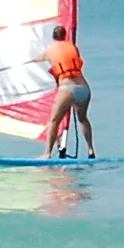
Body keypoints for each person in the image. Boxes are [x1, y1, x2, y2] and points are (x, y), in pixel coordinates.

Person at [42, 24, 96, 159]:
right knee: (83, 119)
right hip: (84, 89)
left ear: (53, 37)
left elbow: (38, 58)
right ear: (65, 35)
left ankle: (47, 154)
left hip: (67, 89)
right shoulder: (74, 47)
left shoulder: (50, 50)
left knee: (54, 121)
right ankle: (90, 149)